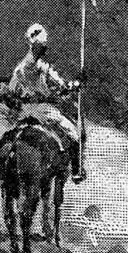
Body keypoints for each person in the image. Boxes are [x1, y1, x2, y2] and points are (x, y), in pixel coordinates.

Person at [7, 23, 86, 183]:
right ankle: (76, 171)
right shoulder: (43, 67)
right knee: (74, 135)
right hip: (44, 111)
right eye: (43, 45)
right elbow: (64, 87)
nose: (44, 48)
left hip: (25, 112)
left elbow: (12, 90)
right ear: (37, 46)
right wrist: (77, 83)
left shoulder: (19, 68)